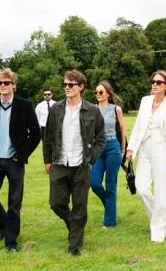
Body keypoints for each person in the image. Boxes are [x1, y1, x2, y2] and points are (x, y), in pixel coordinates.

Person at [0, 68, 41, 253]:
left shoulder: (25, 105)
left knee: (14, 203)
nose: (3, 86)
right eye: (0, 83)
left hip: (15, 162)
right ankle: (2, 223)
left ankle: (11, 242)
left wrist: (22, 155)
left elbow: (35, 135)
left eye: (6, 83)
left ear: (13, 85)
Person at [43, 69, 105, 257]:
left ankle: (74, 245)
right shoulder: (56, 109)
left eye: (71, 84)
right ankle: (74, 225)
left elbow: (100, 138)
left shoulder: (92, 110)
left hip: (81, 165)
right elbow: (48, 137)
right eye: (65, 85)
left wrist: (91, 158)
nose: (67, 88)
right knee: (56, 203)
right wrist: (47, 160)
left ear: (81, 87)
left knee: (80, 206)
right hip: (60, 163)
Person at [126, 70, 166, 243]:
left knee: (161, 191)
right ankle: (158, 218)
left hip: (161, 149)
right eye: (153, 81)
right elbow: (138, 126)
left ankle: (159, 230)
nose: (154, 84)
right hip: (144, 149)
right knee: (141, 188)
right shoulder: (145, 101)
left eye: (158, 82)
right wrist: (130, 148)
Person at [90, 81, 126, 229]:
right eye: (96, 92)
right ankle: (110, 207)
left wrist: (123, 149)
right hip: (98, 149)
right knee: (95, 183)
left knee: (111, 184)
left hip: (113, 147)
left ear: (108, 94)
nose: (98, 95)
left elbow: (123, 129)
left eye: (101, 92)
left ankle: (110, 222)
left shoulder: (116, 109)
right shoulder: (92, 109)